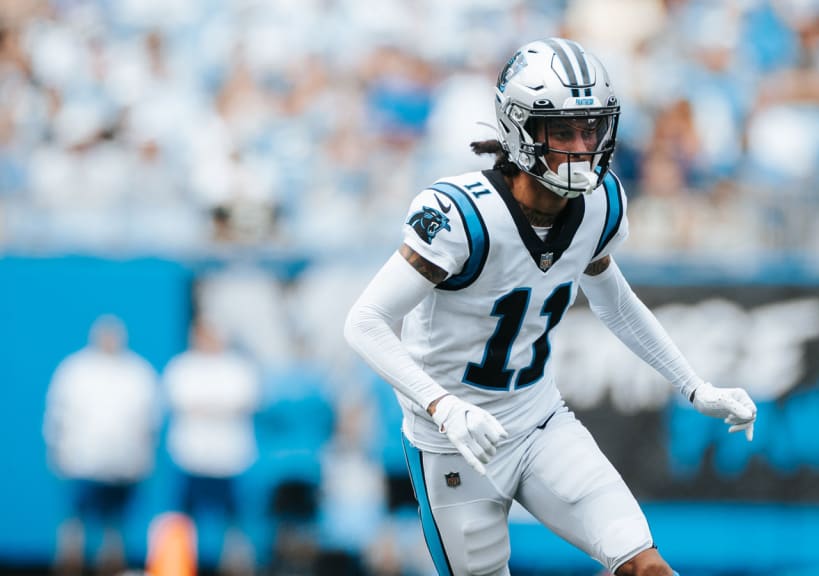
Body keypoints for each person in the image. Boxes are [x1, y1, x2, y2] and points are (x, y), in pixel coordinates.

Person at [344, 38, 757, 576]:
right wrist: (441, 407)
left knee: (645, 565)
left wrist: (694, 385)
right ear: (519, 130)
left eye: (591, 128)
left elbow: (618, 305)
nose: (582, 145)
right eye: (563, 130)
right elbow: (365, 322)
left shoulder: (600, 203)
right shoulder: (461, 216)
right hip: (455, 447)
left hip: (540, 421)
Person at [43, 314, 162, 576]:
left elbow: (150, 420)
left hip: (123, 464)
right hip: (81, 461)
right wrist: (58, 451)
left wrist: (143, 457)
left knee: (115, 525)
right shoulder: (74, 369)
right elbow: (57, 414)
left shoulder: (137, 371)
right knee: (75, 521)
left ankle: (110, 566)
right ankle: (70, 564)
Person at [163, 317, 261, 575]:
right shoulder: (182, 367)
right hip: (191, 459)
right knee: (184, 522)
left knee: (235, 526)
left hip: (230, 460)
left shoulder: (239, 367)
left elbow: (243, 401)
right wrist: (218, 407)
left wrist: (207, 407)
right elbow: (183, 402)